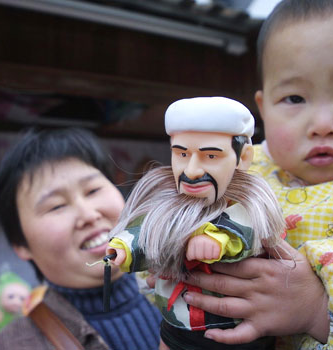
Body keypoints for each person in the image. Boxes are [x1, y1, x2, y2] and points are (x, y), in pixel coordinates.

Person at [181, 0, 333, 349]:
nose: (322, 125)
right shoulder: (242, 169)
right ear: (262, 109)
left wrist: (317, 308)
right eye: (294, 98)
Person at [106, 96, 286, 350]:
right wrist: (124, 248)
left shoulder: (248, 204)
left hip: (236, 327)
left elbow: (248, 232)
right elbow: (146, 232)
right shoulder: (166, 204)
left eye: (210, 156)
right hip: (177, 322)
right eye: (181, 154)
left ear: (243, 158)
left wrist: (217, 239)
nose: (191, 170)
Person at [0, 127, 162, 350]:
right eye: (56, 206)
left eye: (93, 190)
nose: (88, 214)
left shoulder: (190, 292)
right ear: (21, 245)